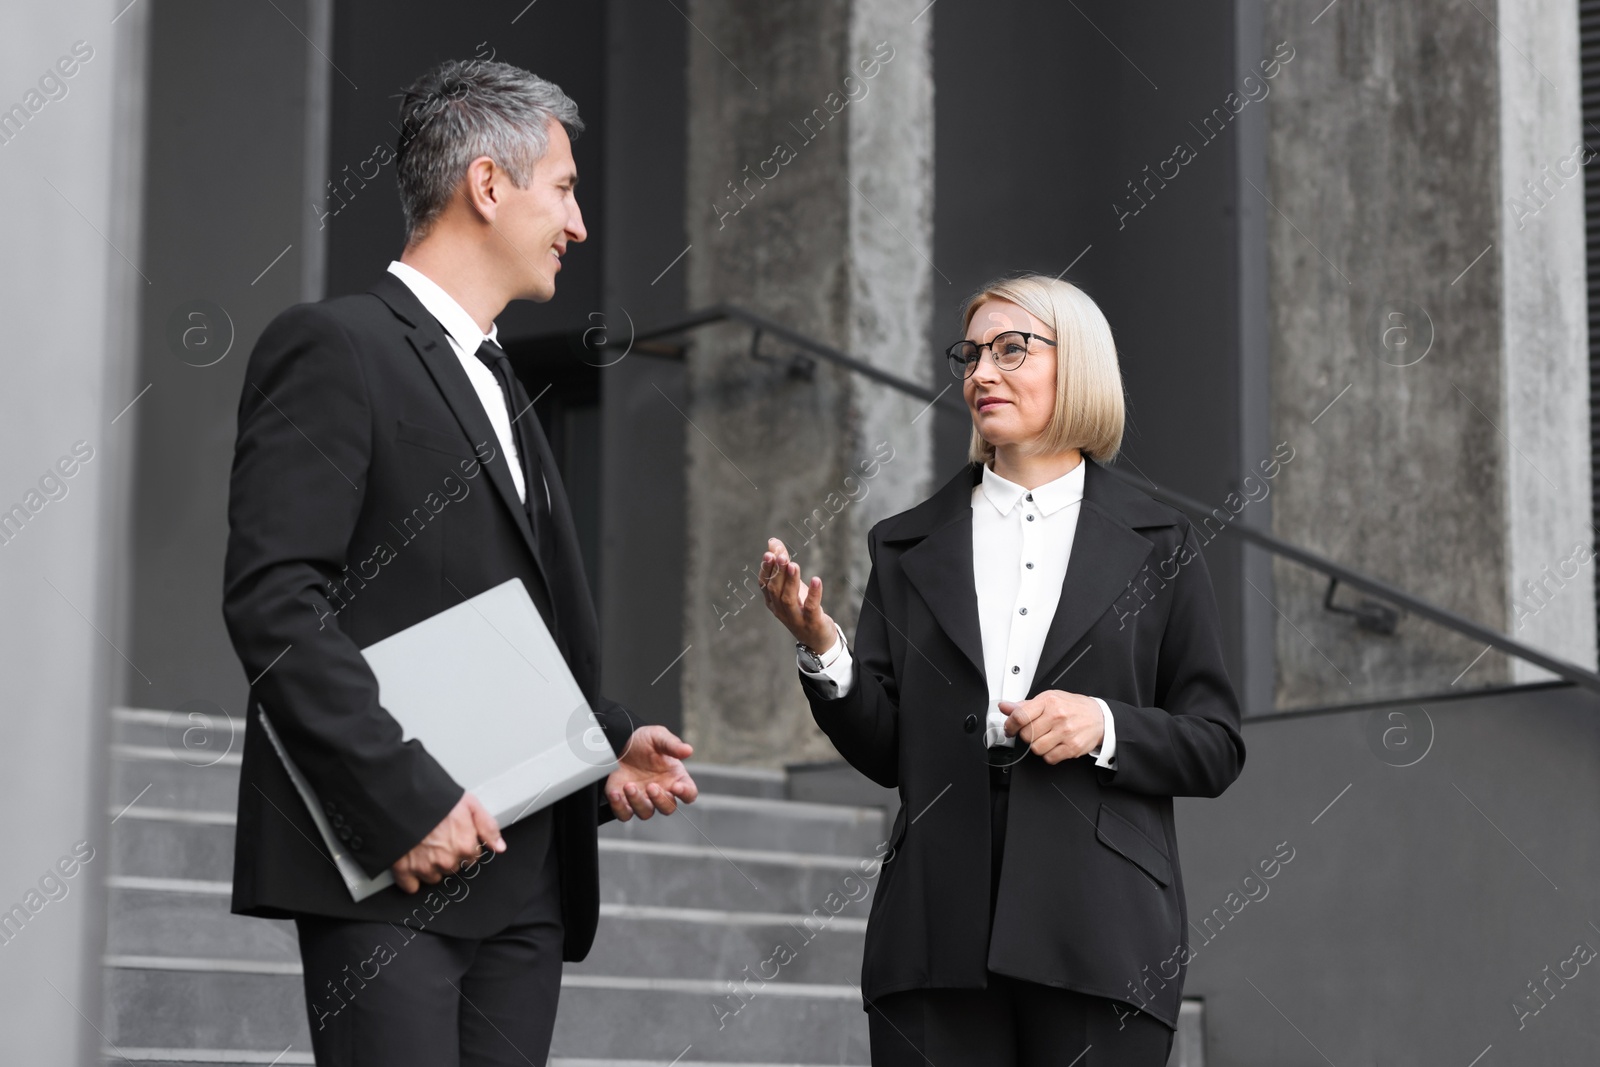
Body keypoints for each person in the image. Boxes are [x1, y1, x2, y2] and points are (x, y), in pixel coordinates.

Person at [222, 59, 697, 1066]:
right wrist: (404, 799)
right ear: (488, 184)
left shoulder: (503, 384)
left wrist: (599, 747)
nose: (577, 224)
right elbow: (275, 602)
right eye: (563, 189)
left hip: (523, 879)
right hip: (393, 859)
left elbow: (490, 599)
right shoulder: (334, 346)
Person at [759, 274, 1246, 1066]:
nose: (982, 373)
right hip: (933, 922)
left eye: (1012, 348)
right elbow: (888, 750)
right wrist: (823, 647)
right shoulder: (907, 542)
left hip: (1102, 922)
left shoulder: (1160, 541)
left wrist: (1105, 724)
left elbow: (1216, 742)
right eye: (972, 354)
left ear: (1077, 363)